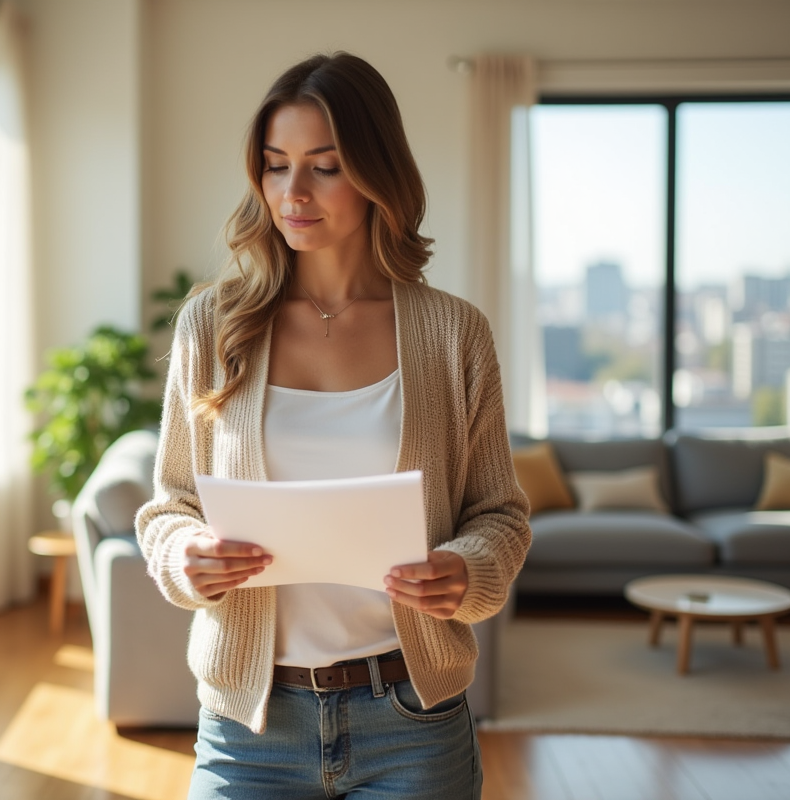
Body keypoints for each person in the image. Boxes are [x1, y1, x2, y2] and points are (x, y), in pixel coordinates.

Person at [136, 51, 531, 800]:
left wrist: (468, 570)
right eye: (276, 165)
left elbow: (500, 515)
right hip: (249, 729)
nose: (293, 192)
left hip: (412, 719)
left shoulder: (454, 334)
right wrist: (184, 553)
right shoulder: (212, 327)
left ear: (377, 172)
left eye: (325, 166)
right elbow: (169, 505)